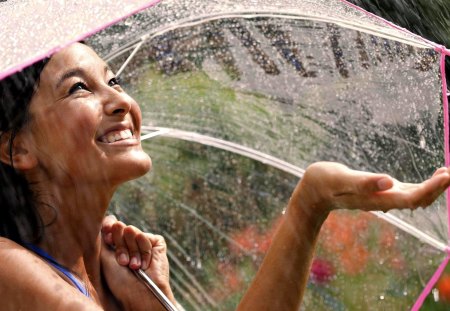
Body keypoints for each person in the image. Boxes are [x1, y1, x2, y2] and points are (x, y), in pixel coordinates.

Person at [0, 42, 449, 311]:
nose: (119, 102)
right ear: (16, 148)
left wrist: (313, 199)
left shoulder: (116, 274)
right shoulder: (7, 268)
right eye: (79, 88)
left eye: (114, 80)